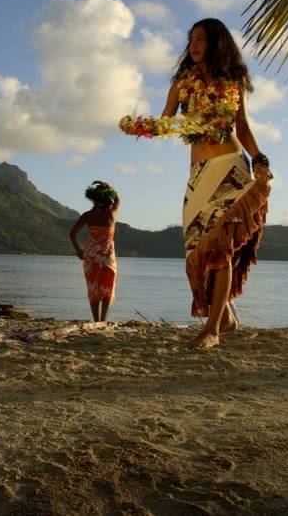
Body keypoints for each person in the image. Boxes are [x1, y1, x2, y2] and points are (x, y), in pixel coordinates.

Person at [119, 18, 272, 349]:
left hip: (231, 169)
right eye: (191, 39)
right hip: (199, 174)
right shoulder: (181, 84)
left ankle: (212, 330)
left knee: (220, 248)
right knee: (196, 250)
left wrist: (260, 159)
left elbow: (242, 126)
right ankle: (226, 317)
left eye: (201, 38)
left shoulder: (232, 82)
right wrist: (140, 127)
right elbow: (166, 122)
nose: (194, 44)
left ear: (216, 42)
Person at [69, 181, 120, 322]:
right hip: (107, 258)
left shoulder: (88, 215)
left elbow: (72, 233)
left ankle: (98, 321)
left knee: (95, 290)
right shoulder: (112, 213)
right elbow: (117, 198)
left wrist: (78, 250)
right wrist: (107, 185)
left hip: (92, 257)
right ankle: (101, 320)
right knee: (107, 290)